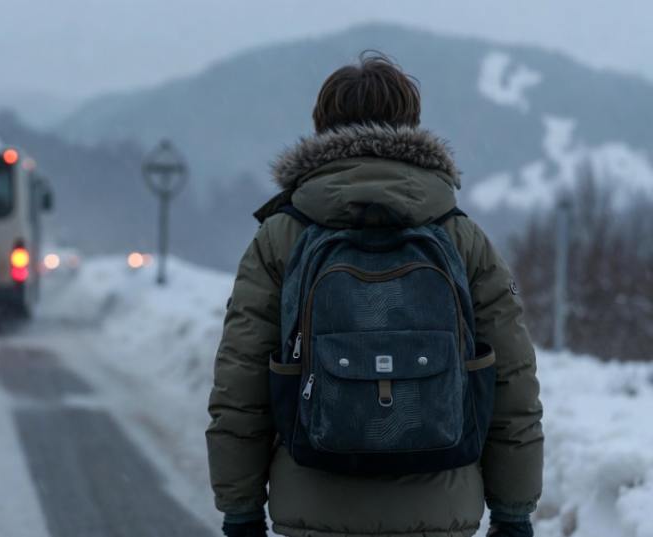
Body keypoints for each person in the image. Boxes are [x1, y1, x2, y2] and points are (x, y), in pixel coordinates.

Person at [205, 52, 543, 537]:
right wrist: (513, 512)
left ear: (322, 127)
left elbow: (240, 385)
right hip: (440, 508)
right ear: (411, 125)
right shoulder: (460, 237)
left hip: (314, 501)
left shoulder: (282, 236)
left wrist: (239, 510)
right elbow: (513, 381)